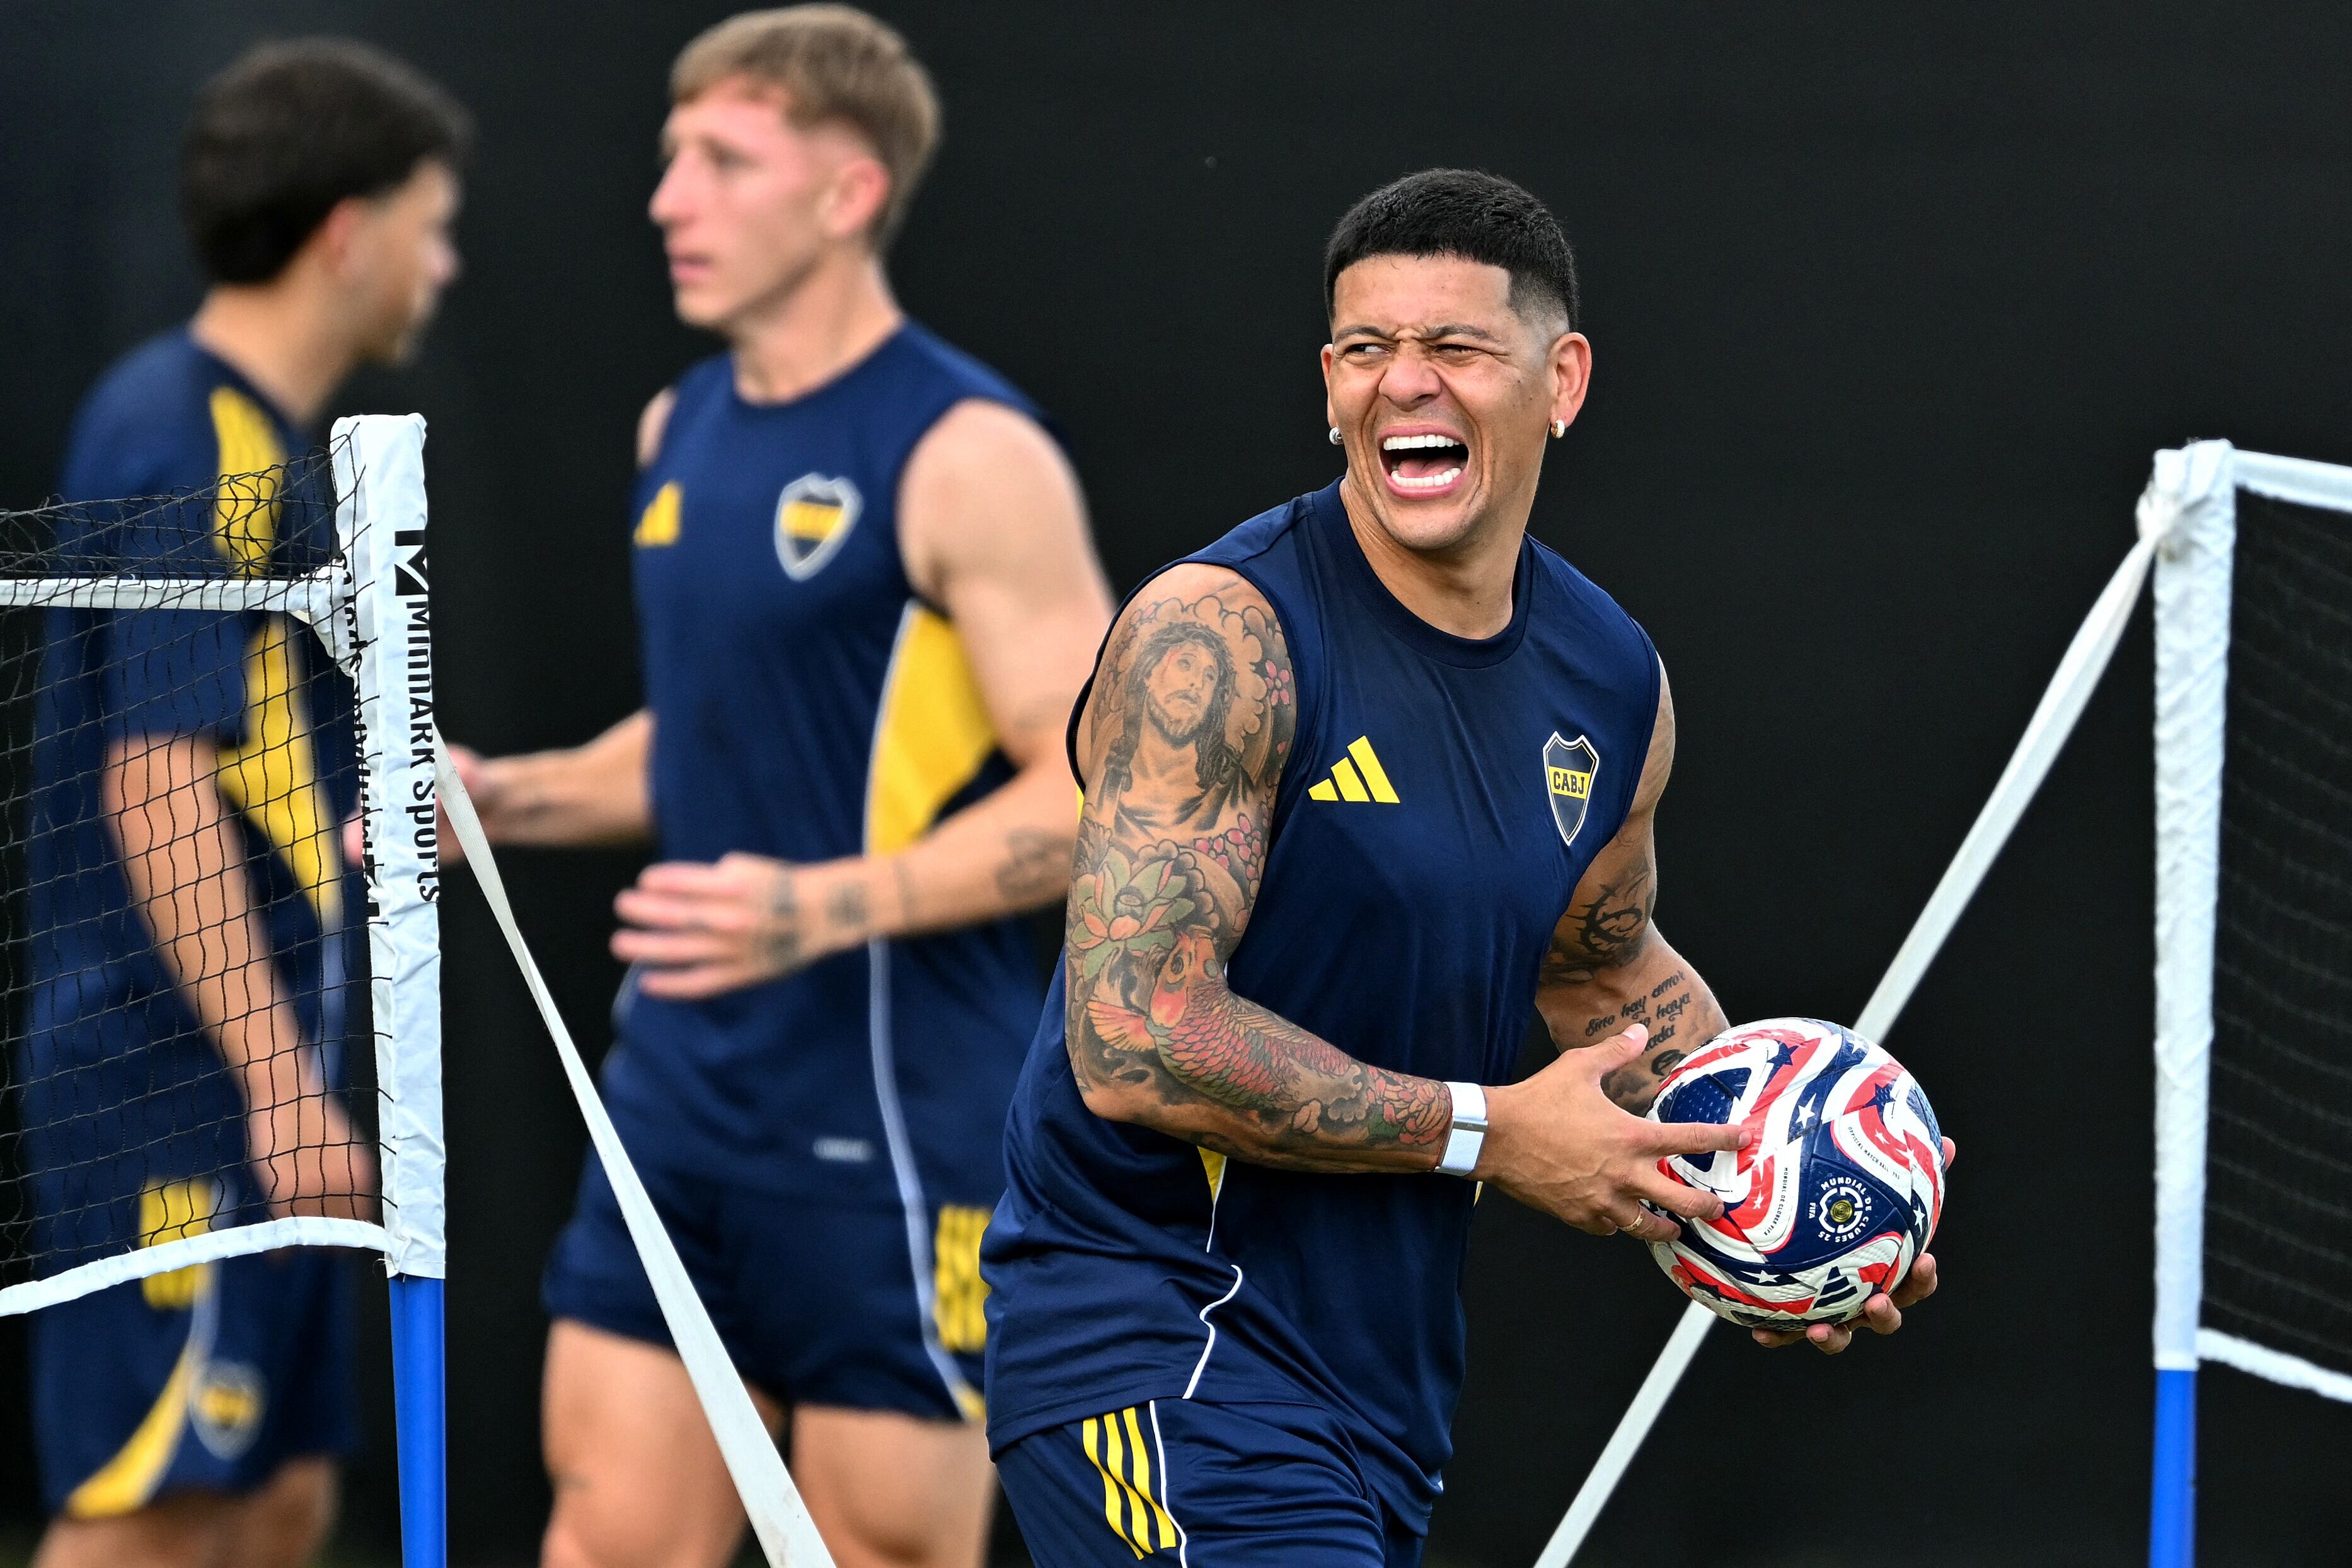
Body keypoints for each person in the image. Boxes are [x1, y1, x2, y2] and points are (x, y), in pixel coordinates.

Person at [980, 168, 1952, 1566]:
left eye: (1456, 349)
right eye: (1366, 350)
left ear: (1562, 380)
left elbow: (1600, 968)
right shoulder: (1220, 636)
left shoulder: (1609, 676)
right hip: (1156, 1340)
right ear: (1328, 384)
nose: (1403, 386)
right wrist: (1496, 1130)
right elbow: (1135, 1037)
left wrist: (1796, 1188)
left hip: (1376, 1395)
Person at [446, 9, 1111, 1567]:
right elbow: (710, 737)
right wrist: (500, 798)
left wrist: (820, 907)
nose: (669, 197)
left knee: (879, 1546)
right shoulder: (677, 428)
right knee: (607, 1538)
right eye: (672, 156)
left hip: (895, 1120)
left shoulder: (966, 453)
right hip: (681, 1094)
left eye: (723, 160)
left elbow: (1101, 805)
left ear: (847, 193)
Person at [25, 39, 466, 1568]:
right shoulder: (184, 428)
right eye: (432, 218)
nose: (447, 258)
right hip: (176, 1085)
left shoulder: (268, 444)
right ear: (349, 231)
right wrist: (281, 1083)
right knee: (156, 1509)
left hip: (267, 1078)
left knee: (280, 1503)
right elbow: (154, 770)